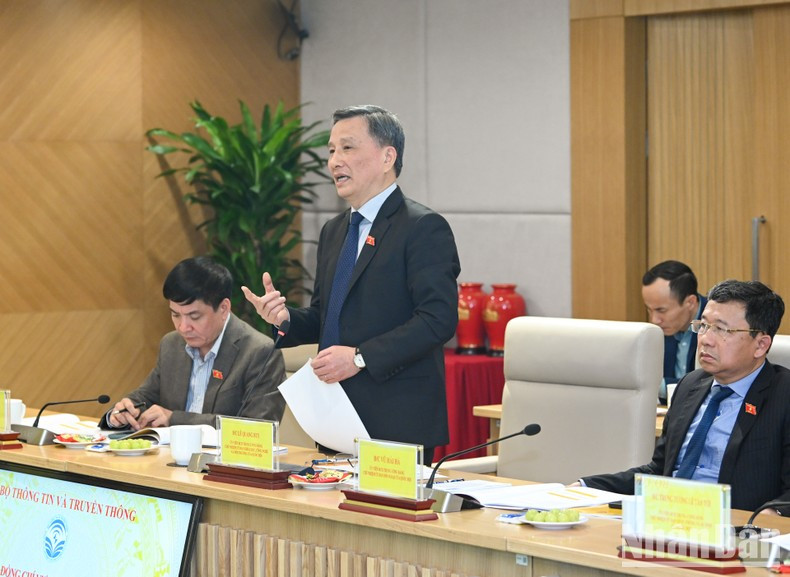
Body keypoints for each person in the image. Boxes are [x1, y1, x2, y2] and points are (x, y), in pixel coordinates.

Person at [242, 105, 461, 465]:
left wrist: (360, 357)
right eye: (330, 150)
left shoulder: (422, 227)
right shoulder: (334, 231)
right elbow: (327, 316)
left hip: (396, 421)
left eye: (347, 148)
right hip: (335, 418)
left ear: (387, 156)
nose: (334, 161)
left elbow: (437, 320)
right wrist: (284, 320)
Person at [580, 279, 790, 514]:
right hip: (668, 521)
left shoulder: (783, 396)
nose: (705, 339)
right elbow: (659, 472)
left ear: (760, 345)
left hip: (735, 531)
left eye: (721, 329)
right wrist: (585, 487)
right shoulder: (691, 385)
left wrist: (772, 515)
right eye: (703, 325)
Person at [102, 256, 286, 430]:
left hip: (223, 462)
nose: (183, 327)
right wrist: (123, 411)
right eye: (175, 315)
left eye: (194, 316)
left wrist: (175, 419)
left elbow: (260, 428)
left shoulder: (260, 352)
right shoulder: (171, 344)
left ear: (223, 309)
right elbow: (145, 397)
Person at [642, 260, 706, 403]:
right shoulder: (660, 329)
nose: (654, 320)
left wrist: (657, 386)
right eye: (649, 310)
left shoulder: (715, 325)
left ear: (690, 302)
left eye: (661, 310)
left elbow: (708, 385)